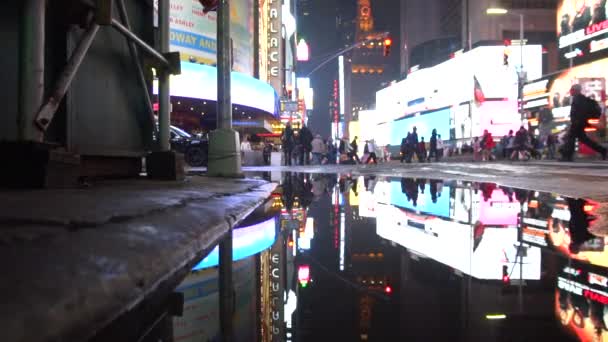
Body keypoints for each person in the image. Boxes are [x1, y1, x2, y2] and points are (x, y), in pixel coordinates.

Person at [560, 84, 607, 161]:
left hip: (578, 123)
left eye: (572, 89)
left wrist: (576, 121)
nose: (571, 91)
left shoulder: (579, 99)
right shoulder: (578, 98)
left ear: (576, 90)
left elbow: (579, 113)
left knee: (571, 137)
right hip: (579, 122)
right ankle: (603, 150)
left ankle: (567, 156)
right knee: (584, 140)